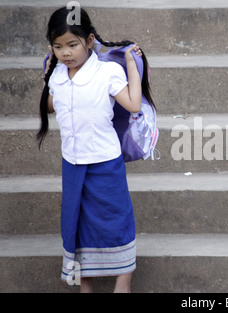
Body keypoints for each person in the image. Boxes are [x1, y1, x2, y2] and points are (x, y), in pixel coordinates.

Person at [37, 6, 152, 293]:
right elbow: (52, 105)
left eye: (72, 44)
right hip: (73, 164)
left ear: (90, 41)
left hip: (105, 164)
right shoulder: (59, 76)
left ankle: (122, 281)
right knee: (77, 223)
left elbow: (134, 105)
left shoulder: (108, 72)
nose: (66, 53)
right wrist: (47, 74)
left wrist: (130, 65)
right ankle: (84, 284)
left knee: (116, 218)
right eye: (58, 46)